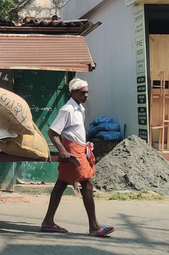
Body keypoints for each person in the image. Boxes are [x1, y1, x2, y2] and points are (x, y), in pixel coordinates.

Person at [40, 77, 115, 237]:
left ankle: (48, 221)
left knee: (61, 184)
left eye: (87, 93)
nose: (86, 96)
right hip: (71, 150)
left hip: (79, 148)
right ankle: (94, 226)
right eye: (82, 93)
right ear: (73, 92)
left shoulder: (79, 108)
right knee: (86, 183)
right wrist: (62, 150)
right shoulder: (67, 110)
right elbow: (52, 132)